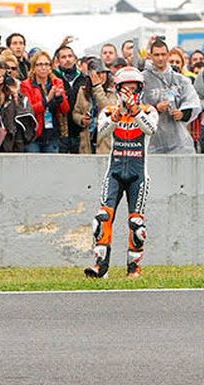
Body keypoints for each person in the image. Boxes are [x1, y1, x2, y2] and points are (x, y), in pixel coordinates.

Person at [84, 67, 159, 279]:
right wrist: (117, 115)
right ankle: (101, 267)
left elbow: (150, 130)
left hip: (139, 174)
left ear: (140, 90)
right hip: (114, 172)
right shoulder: (108, 111)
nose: (129, 94)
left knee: (137, 224)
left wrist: (135, 110)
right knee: (102, 217)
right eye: (125, 89)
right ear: (117, 90)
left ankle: (134, 269)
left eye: (133, 89)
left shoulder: (148, 111)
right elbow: (102, 132)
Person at [142, 39, 201, 154]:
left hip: (178, 141)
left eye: (163, 54)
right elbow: (136, 107)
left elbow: (192, 102)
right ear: (150, 56)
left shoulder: (180, 79)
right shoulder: (142, 79)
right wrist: (155, 109)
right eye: (157, 55)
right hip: (152, 141)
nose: (160, 58)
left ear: (168, 55)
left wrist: (183, 114)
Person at [21, 51, 69, 153]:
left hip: (52, 134)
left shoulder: (57, 82)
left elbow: (65, 109)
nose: (43, 67)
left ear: (50, 67)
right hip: (34, 135)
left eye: (46, 64)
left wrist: (60, 98)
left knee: (51, 166)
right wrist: (47, 99)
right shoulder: (26, 85)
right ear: (33, 68)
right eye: (39, 64)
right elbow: (29, 110)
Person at [0, 62, 37, 152]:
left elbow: (22, 114)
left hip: (11, 138)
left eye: (5, 76)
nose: (3, 79)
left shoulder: (16, 93)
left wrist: (15, 94)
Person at [72, 59, 116, 154]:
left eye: (104, 73)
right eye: (98, 73)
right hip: (87, 139)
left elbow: (108, 109)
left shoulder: (112, 92)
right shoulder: (83, 91)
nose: (101, 76)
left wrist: (97, 87)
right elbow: (76, 112)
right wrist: (81, 119)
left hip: (105, 141)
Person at [54, 45, 89, 153]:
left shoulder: (84, 78)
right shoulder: (54, 78)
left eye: (70, 56)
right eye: (63, 57)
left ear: (75, 58)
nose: (67, 59)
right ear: (58, 60)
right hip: (60, 132)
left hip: (79, 131)